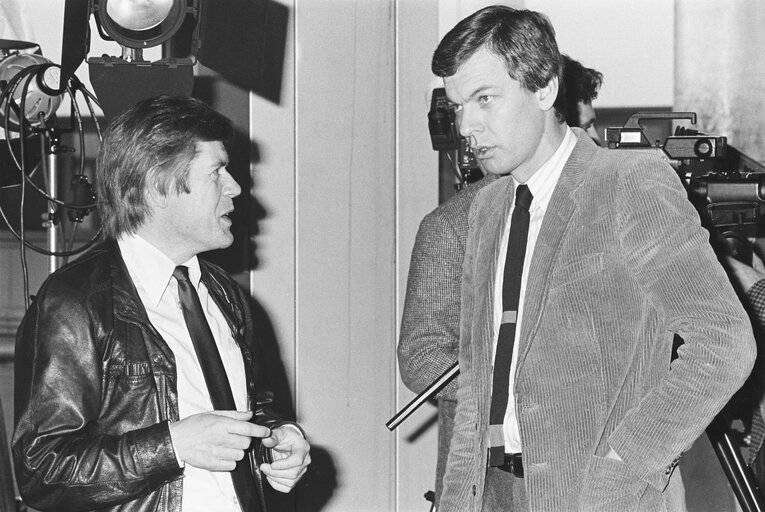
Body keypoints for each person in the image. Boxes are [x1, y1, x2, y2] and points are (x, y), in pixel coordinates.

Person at [431, 6, 755, 511]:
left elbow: (724, 344)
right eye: (457, 106)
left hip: (597, 497)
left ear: (544, 89)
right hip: (491, 493)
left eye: (485, 99)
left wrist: (625, 466)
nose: (466, 125)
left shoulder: (629, 184)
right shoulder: (487, 209)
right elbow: (477, 383)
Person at [12, 95, 310, 512]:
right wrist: (172, 446)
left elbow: (249, 407)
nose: (235, 187)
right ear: (157, 186)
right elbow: (42, 470)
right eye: (217, 172)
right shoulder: (74, 301)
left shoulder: (225, 294)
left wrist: (278, 438)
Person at [397, 55, 604, 508]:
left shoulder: (606, 208)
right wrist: (519, 377)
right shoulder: (452, 225)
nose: (594, 141)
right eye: (584, 126)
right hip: (495, 482)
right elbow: (420, 354)